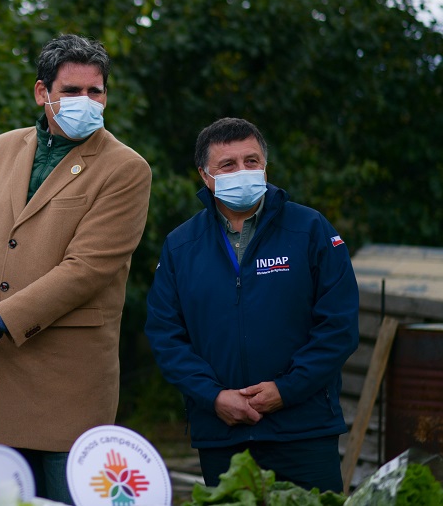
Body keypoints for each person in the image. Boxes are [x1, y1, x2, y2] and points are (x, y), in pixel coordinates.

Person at [0, 34, 153, 504]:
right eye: (72, 91)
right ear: (42, 92)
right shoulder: (3, 148)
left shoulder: (126, 168)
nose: (86, 102)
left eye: (96, 92)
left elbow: (86, 270)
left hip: (65, 381)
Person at [144, 117, 359, 492]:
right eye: (228, 165)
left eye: (251, 161)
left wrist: (287, 389)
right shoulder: (181, 246)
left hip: (303, 430)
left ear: (265, 166)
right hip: (221, 434)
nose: (242, 171)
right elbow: (165, 335)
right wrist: (213, 397)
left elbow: (338, 326)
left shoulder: (311, 230)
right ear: (205, 175)